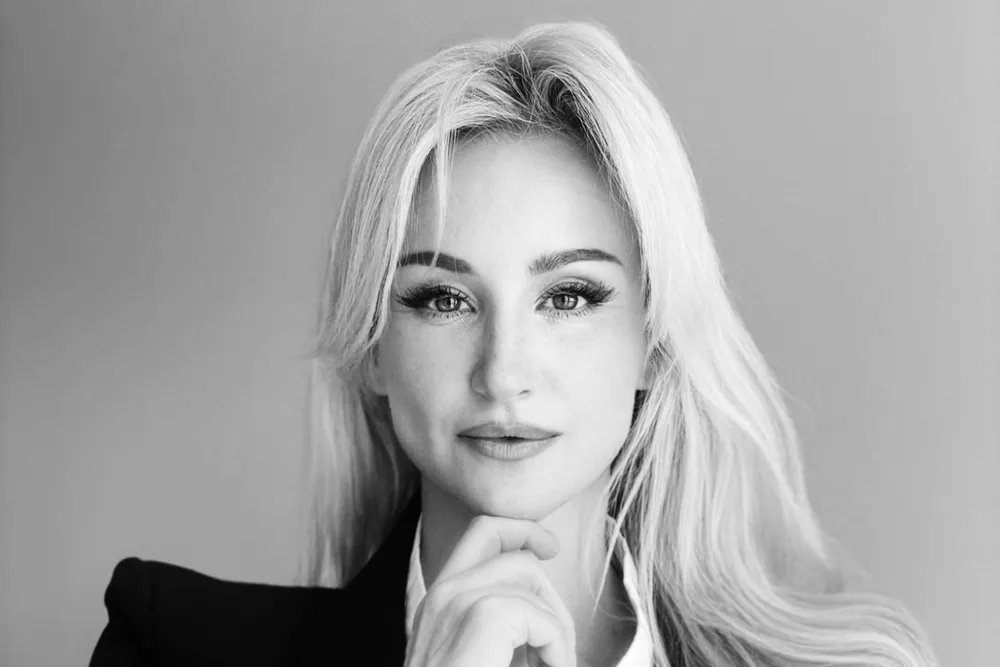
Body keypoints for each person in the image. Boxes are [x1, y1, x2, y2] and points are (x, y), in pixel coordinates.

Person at [90, 20, 938, 667]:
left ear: (654, 339)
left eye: (568, 296)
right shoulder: (172, 646)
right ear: (374, 345)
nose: (503, 372)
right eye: (443, 298)